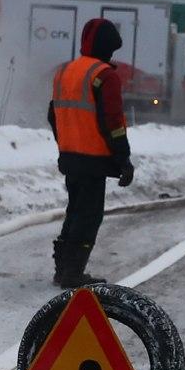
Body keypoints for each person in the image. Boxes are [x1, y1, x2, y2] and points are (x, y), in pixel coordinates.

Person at [48, 16, 135, 286]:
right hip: (94, 159)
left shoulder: (65, 71)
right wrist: (124, 160)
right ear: (108, 47)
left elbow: (53, 115)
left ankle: (63, 268)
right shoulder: (105, 76)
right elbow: (113, 123)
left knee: (75, 210)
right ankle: (73, 273)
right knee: (89, 216)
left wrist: (65, 145)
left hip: (70, 157)